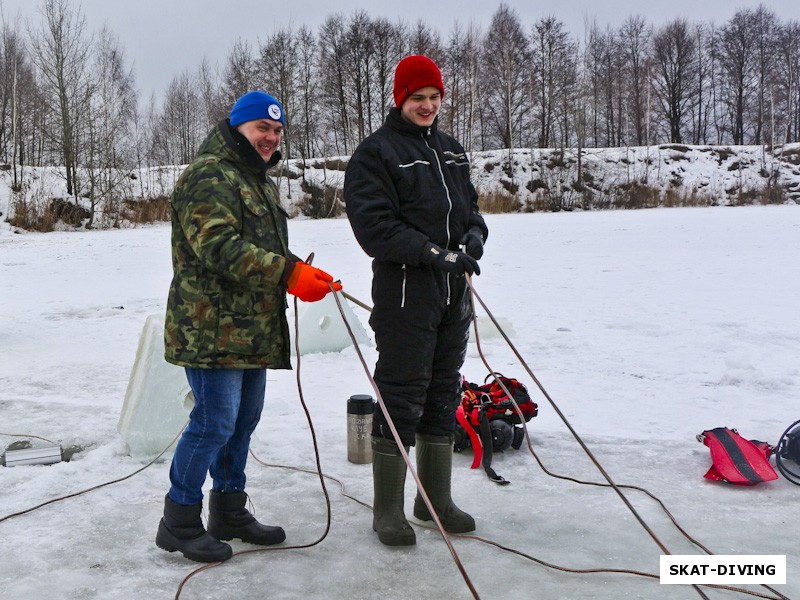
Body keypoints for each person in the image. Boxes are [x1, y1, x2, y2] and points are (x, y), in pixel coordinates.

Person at [156, 90, 341, 563]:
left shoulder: (256, 180)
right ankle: (178, 520)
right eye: (263, 128)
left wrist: (302, 271)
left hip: (252, 328)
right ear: (238, 126)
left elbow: (261, 247)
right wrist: (287, 274)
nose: (271, 138)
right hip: (210, 328)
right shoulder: (208, 175)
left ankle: (229, 510)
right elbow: (218, 247)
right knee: (212, 424)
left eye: (277, 131)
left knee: (241, 424)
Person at [344, 55, 488, 546]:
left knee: (443, 393)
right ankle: (387, 511)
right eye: (417, 98)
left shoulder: (451, 151)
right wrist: (433, 254)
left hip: (452, 295)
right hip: (406, 293)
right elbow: (375, 229)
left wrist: (472, 240)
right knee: (403, 394)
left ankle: (434, 501)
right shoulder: (375, 154)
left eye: (433, 98)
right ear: (399, 99)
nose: (427, 106)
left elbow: (471, 210)